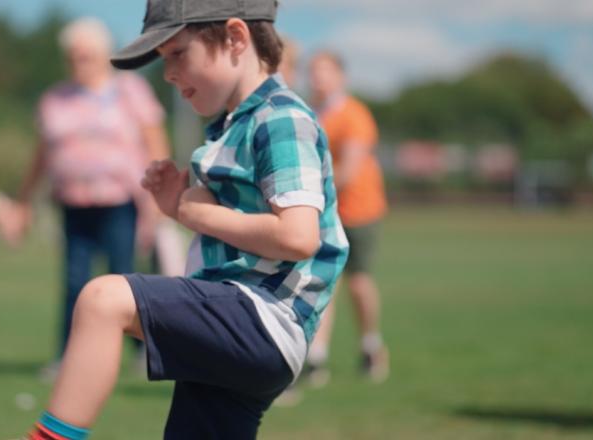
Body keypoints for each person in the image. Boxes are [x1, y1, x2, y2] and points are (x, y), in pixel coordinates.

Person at [24, 0, 349, 438]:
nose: (169, 73)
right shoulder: (234, 124)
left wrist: (195, 213)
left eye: (178, 54)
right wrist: (178, 205)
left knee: (103, 300)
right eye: (163, 61)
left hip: (262, 318)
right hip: (241, 323)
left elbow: (296, 236)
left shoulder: (281, 118)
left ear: (236, 38)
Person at [13, 17, 172, 378]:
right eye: (72, 56)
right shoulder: (56, 99)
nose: (78, 62)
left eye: (85, 55)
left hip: (120, 199)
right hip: (73, 201)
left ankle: (139, 349)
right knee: (74, 281)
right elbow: (42, 155)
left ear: (102, 56)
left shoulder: (129, 90)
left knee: (123, 277)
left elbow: (154, 141)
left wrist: (162, 197)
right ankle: (69, 355)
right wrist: (23, 200)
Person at [298, 49, 389, 388]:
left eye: (325, 71)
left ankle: (370, 343)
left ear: (341, 76)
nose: (318, 77)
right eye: (313, 71)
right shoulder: (307, 113)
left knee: (358, 281)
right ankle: (317, 358)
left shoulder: (355, 115)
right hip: (322, 211)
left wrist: (306, 192)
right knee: (324, 284)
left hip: (359, 210)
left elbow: (349, 169)